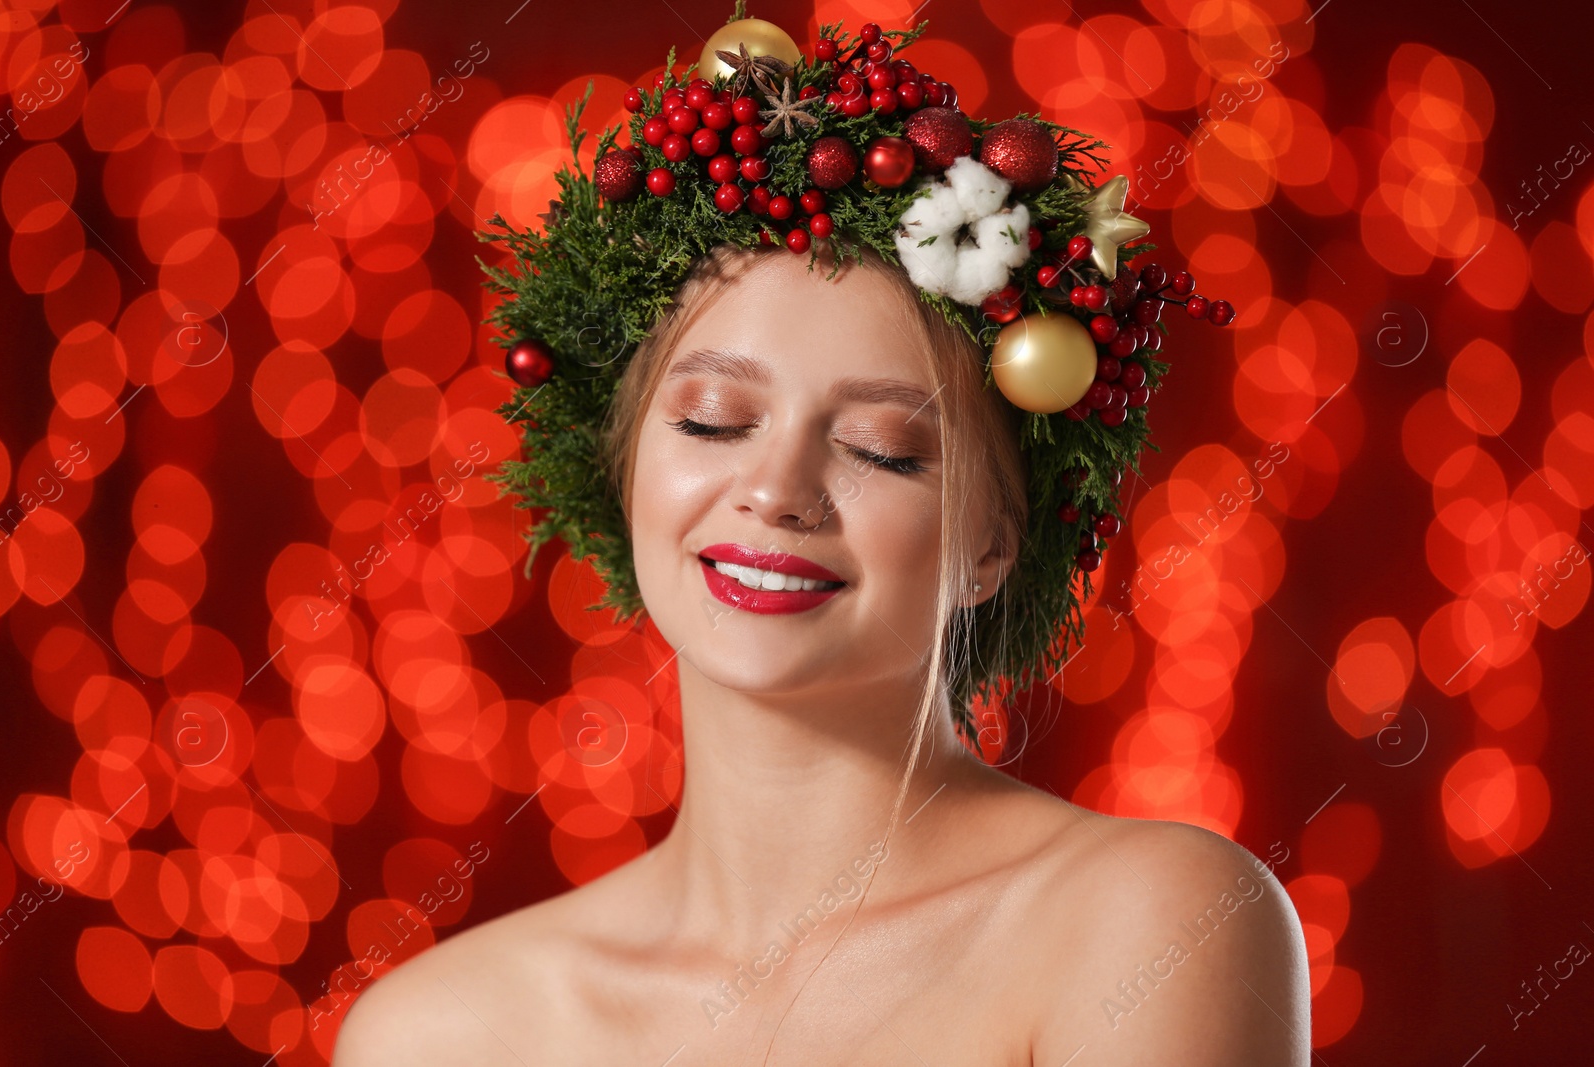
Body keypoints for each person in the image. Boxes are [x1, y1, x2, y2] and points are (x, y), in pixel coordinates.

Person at [333, 10, 1308, 1065]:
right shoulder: (435, 1032)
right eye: (710, 422)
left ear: (989, 547)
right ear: (622, 476)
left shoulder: (1148, 921)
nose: (776, 491)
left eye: (883, 449)